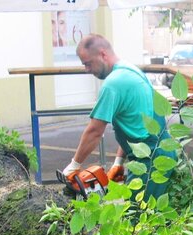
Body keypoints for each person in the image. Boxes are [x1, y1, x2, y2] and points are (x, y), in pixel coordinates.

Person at [63, 34, 175, 201]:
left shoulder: (113, 84)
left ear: (102, 54)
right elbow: (132, 122)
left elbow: (94, 132)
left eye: (88, 63)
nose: (86, 69)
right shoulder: (131, 70)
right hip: (158, 154)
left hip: (151, 159)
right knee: (147, 217)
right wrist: (118, 162)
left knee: (137, 221)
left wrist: (74, 166)